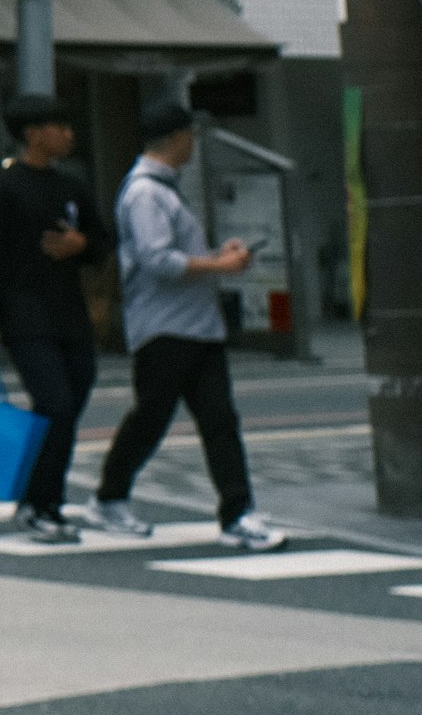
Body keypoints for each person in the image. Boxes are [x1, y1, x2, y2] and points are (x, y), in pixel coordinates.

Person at [89, 100, 283, 551]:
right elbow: (158, 260)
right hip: (165, 328)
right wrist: (219, 266)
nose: (193, 144)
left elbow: (168, 256)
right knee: (153, 418)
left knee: (215, 419)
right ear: (177, 138)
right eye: (191, 136)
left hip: (191, 325)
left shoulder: (162, 189)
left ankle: (238, 512)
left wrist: (217, 256)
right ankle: (109, 497)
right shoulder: (145, 193)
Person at [0, 89, 107, 543]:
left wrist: (80, 245)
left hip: (69, 311)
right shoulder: (6, 187)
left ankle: (39, 497)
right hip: (23, 314)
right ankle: (44, 503)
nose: (68, 135)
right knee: (55, 403)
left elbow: (104, 239)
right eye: (58, 127)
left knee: (73, 397)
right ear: (32, 134)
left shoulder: (72, 186)